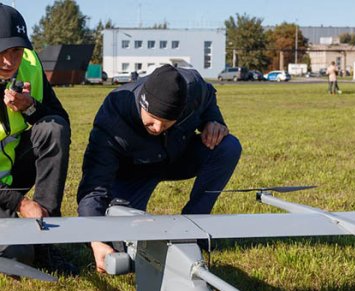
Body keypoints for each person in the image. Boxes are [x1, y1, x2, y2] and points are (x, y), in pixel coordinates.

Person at [77, 64, 242, 273]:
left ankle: (192, 226)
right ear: (142, 104)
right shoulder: (113, 116)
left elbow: (208, 98)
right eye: (152, 121)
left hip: (177, 156)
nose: (157, 129)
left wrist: (213, 120)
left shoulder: (192, 86)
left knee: (228, 146)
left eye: (166, 123)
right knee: (121, 247)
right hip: (135, 171)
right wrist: (96, 238)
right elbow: (93, 186)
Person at [0, 4, 75, 274]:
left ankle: (46, 237)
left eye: (16, 51)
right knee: (17, 256)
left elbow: (60, 119)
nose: (10, 61)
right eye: (1, 52)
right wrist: (19, 203)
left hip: (13, 174)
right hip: (5, 191)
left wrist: (30, 106)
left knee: (52, 128)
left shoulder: (30, 63)